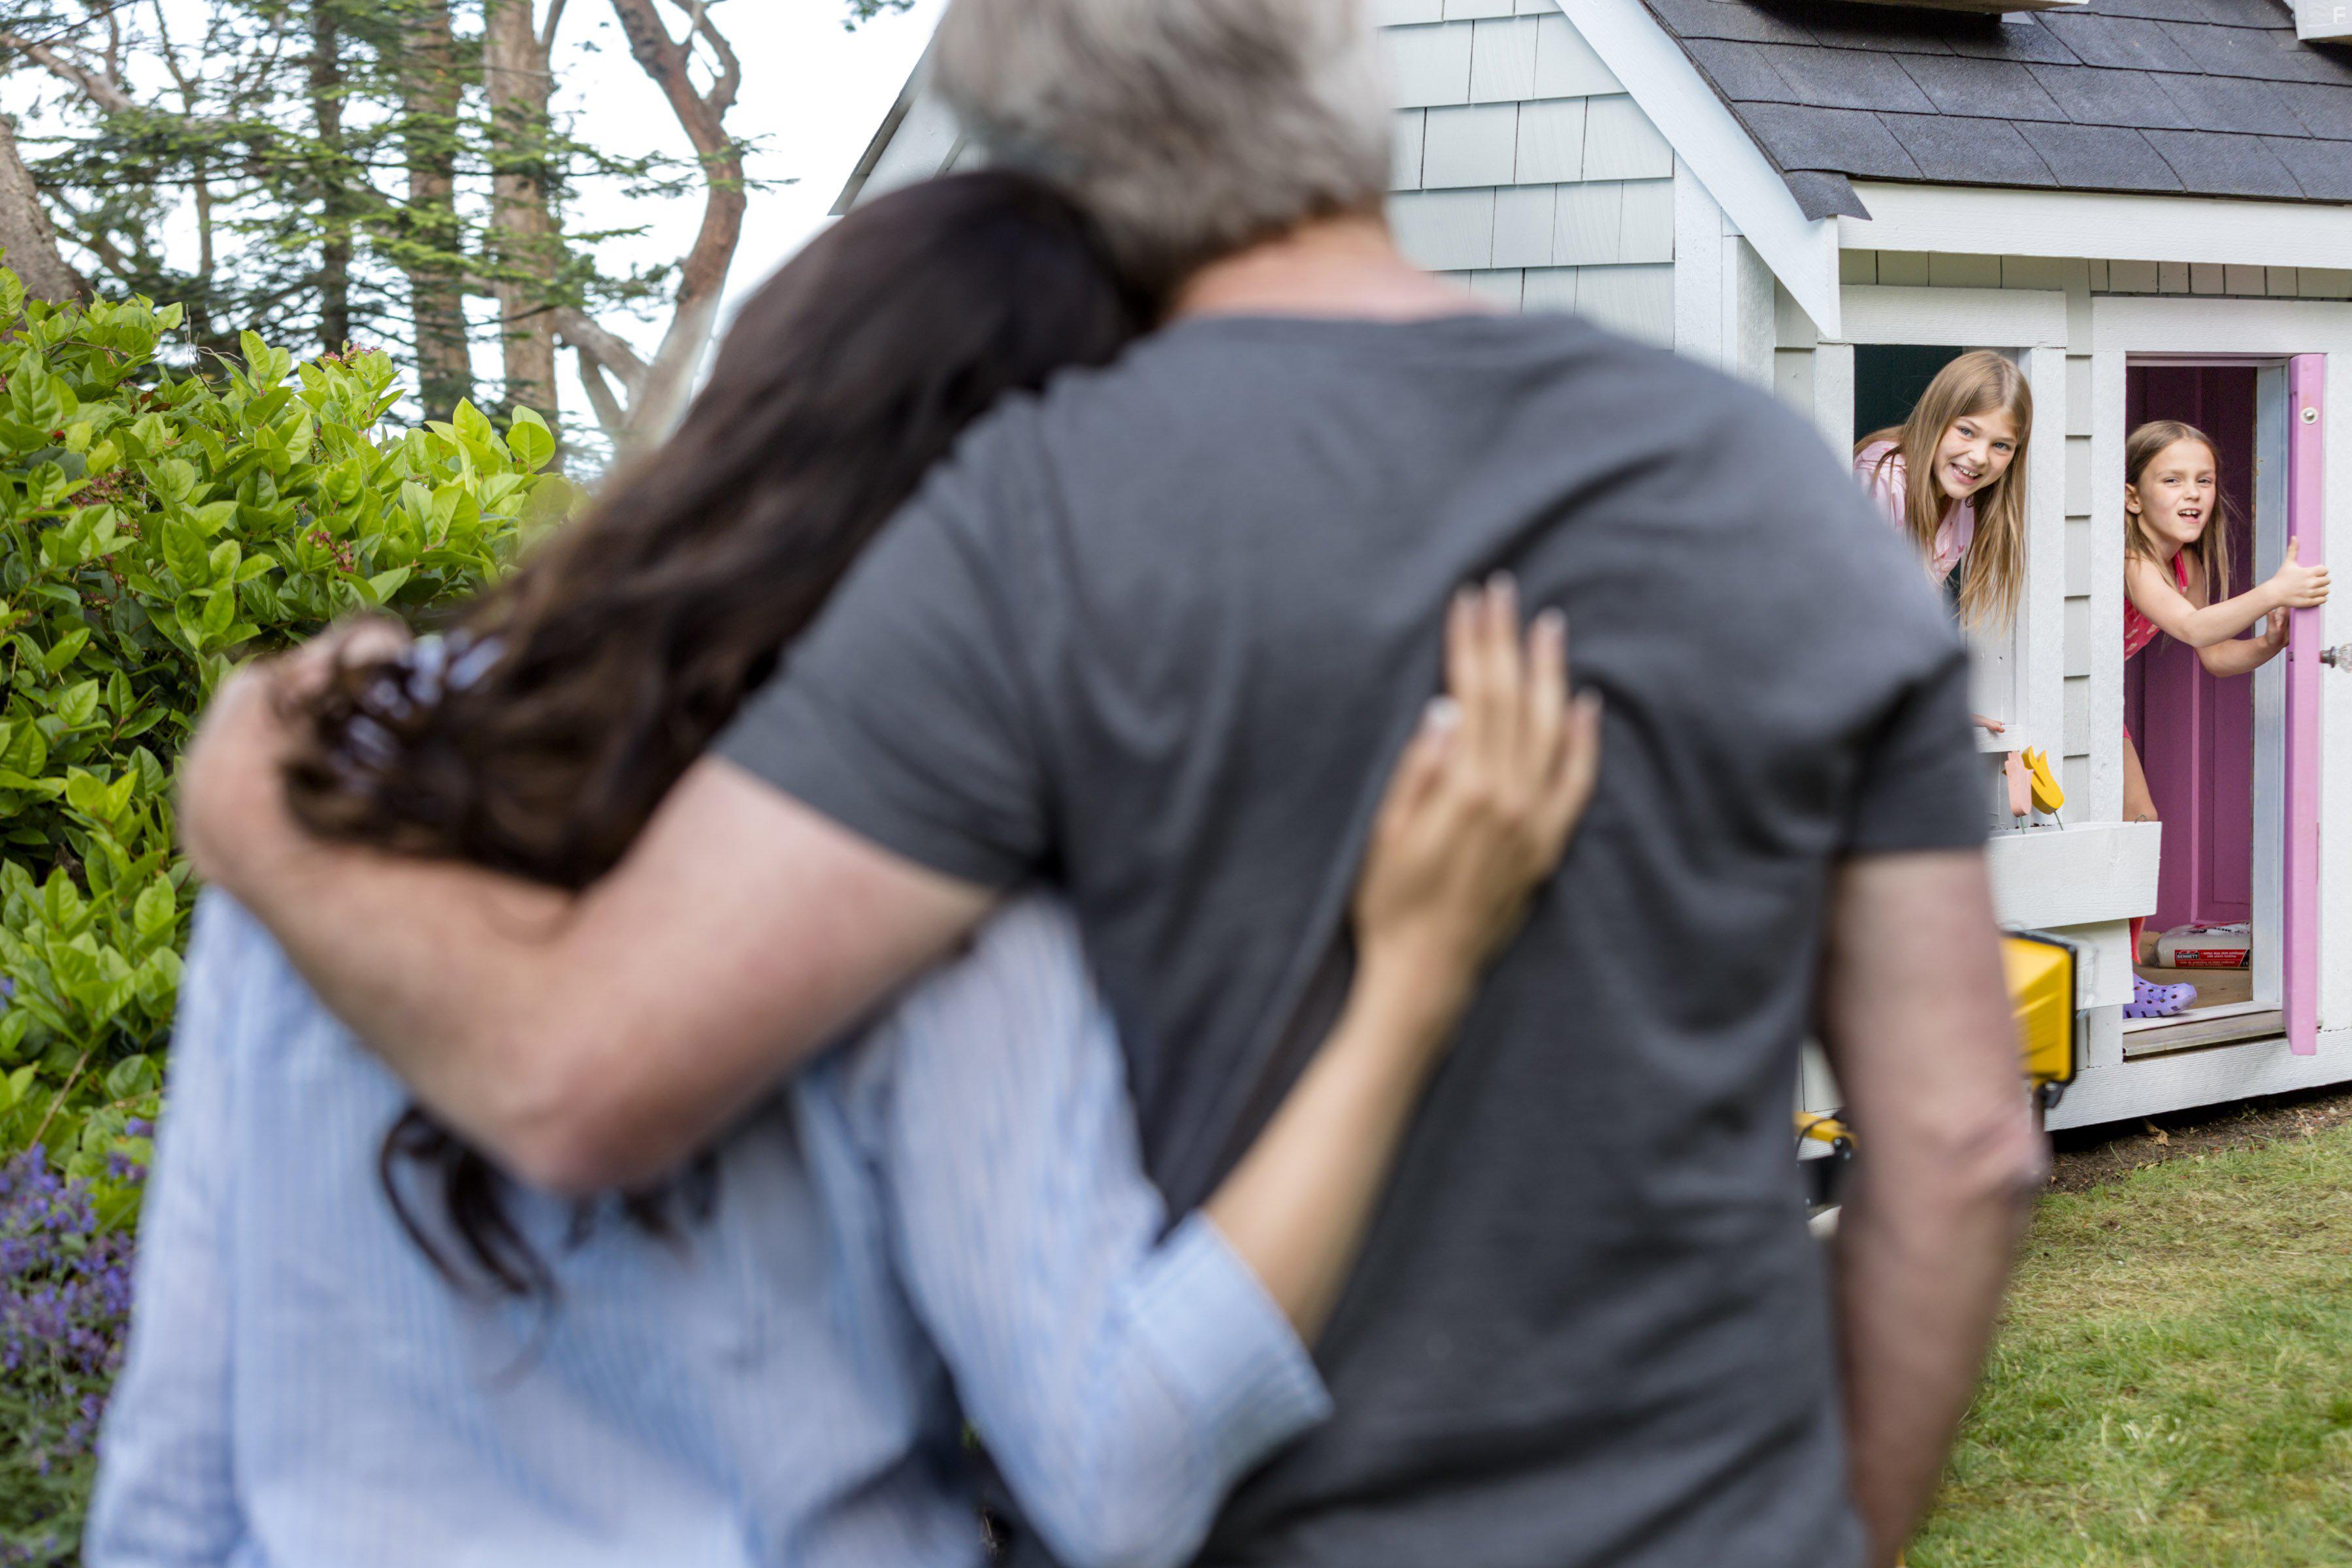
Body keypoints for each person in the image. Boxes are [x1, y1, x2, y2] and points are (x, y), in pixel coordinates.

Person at [178, 2, 2044, 1564]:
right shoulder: (1767, 483)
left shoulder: (1022, 529)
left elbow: (584, 1079)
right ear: (1356, 86)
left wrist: (256, 816)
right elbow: (1960, 1155)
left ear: (1035, 169)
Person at [90, 172, 1603, 1567]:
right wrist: (1411, 983)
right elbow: (1118, 1466)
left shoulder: (329, 772)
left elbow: (170, 1474)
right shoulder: (913, 874)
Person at [2118, 419, 2330, 1015]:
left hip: (2098, 712)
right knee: (2105, 833)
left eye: (2204, 480)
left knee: (2136, 823)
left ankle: (2118, 976)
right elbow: (2189, 626)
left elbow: (2214, 655)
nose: (2193, 493)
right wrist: (2277, 590)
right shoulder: (2130, 555)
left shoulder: (2188, 563)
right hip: (2061, 705)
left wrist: (2268, 643)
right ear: (2132, 497)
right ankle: (2111, 978)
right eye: (2173, 479)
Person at [1854, 349, 2034, 736]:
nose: (1979, 456)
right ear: (1938, 416)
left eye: (2001, 445)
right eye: (1967, 431)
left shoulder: (1963, 507)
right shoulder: (1884, 475)